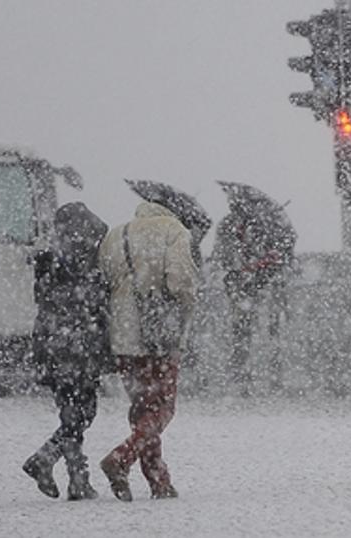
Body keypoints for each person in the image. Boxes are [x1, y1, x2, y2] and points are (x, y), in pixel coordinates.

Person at [98, 201, 197, 501]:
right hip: (159, 334)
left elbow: (103, 282)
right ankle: (121, 457)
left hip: (123, 333)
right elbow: (180, 279)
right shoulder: (174, 230)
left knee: (143, 407)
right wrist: (186, 308)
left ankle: (159, 481)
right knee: (163, 407)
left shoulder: (116, 235)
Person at [22, 202, 110, 500]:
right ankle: (48, 461)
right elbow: (94, 307)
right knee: (83, 412)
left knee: (71, 411)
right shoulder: (86, 264)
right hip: (77, 347)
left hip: (50, 344)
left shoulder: (49, 260)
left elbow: (46, 300)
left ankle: (76, 478)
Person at [211, 198, 296, 397]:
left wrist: (253, 271)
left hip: (258, 285)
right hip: (247, 286)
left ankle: (267, 376)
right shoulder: (257, 225)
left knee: (262, 330)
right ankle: (246, 377)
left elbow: (277, 256)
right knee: (244, 330)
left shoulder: (259, 227)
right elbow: (224, 256)